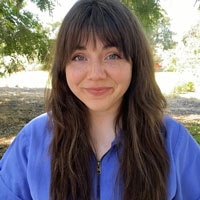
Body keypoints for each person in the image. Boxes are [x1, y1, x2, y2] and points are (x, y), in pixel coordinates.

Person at [0, 0, 200, 199]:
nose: (95, 74)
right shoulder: (31, 142)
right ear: (62, 67)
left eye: (112, 56)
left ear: (135, 63)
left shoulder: (173, 142)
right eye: (79, 57)